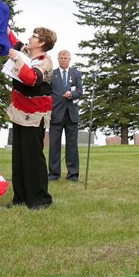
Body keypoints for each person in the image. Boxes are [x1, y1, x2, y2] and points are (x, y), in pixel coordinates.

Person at [6, 27, 56, 210]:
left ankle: (40, 200)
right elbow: (11, 40)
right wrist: (5, 25)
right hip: (19, 112)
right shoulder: (25, 51)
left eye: (34, 37)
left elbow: (31, 79)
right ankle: (20, 198)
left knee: (33, 158)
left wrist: (16, 58)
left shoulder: (46, 61)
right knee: (19, 157)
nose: (29, 38)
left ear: (41, 43)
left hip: (35, 116)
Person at [49, 50, 84, 182]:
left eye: (65, 58)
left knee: (72, 146)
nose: (63, 60)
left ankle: (73, 175)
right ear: (58, 59)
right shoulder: (53, 74)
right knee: (54, 146)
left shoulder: (76, 74)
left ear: (70, 59)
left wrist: (71, 94)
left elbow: (80, 91)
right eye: (61, 58)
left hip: (71, 115)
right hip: (56, 114)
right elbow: (48, 93)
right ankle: (53, 174)